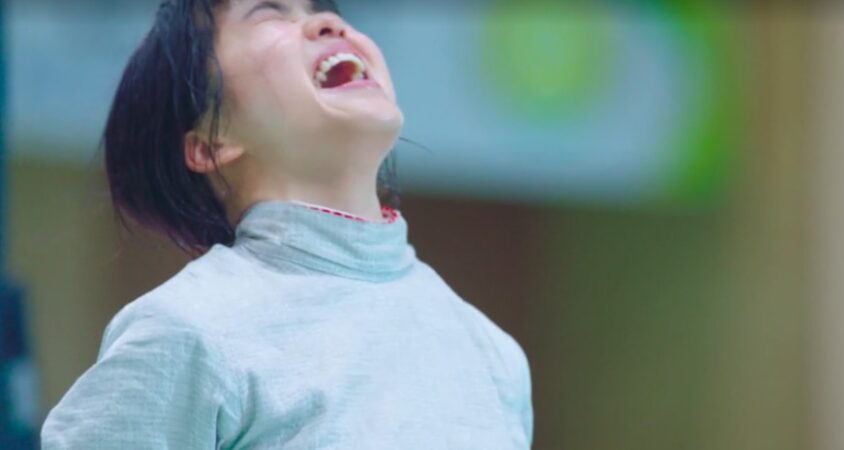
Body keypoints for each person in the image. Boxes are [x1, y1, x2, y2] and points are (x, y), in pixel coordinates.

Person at [39, 0, 533, 448]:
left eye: (320, 8)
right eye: (269, 12)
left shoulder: (493, 353)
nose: (328, 22)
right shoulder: (188, 331)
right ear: (212, 141)